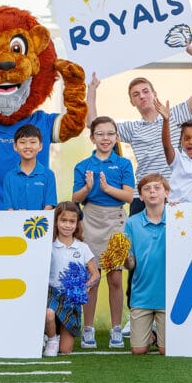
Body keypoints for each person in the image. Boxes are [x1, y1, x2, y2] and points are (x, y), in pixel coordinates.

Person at [86, 43, 192, 215]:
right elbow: (94, 125)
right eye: (136, 94)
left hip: (174, 194)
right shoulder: (132, 128)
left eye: (145, 91)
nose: (142, 96)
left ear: (155, 94)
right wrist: (91, 89)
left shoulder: (176, 114)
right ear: (131, 101)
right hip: (143, 195)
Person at [71, 116, 134, 349]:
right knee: (92, 277)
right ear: (92, 137)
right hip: (90, 220)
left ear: (116, 137)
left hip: (116, 221)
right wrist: (87, 188)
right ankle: (88, 329)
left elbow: (128, 196)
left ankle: (116, 328)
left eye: (110, 134)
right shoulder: (83, 166)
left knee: (116, 277)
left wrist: (108, 188)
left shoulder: (124, 164)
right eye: (100, 134)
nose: (105, 138)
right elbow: (75, 199)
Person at [44, 201, 100, 357]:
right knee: (48, 313)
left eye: (72, 221)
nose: (67, 225)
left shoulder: (82, 247)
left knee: (65, 350)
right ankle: (51, 338)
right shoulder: (48, 245)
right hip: (52, 294)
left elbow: (95, 274)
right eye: (63, 220)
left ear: (77, 224)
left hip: (71, 299)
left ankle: (58, 332)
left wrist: (86, 286)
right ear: (56, 222)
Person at [124, 173, 170, 355]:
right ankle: (150, 336)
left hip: (168, 296)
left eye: (157, 188)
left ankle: (160, 337)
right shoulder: (131, 223)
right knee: (138, 350)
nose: (152, 192)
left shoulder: (178, 219)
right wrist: (124, 259)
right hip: (141, 295)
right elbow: (131, 264)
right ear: (140, 196)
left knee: (166, 351)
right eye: (147, 189)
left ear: (166, 193)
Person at [2, 124, 57, 210]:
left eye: (33, 142)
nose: (27, 146)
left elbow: (49, 205)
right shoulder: (9, 177)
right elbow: (8, 208)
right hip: (14, 222)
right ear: (15, 146)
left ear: (40, 146)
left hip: (40, 223)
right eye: (23, 142)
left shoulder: (48, 175)